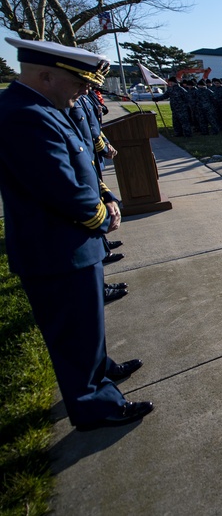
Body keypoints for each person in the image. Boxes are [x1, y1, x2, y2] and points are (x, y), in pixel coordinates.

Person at [0, 37, 154, 430]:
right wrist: (102, 216)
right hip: (56, 247)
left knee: (86, 325)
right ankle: (94, 406)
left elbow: (80, 161)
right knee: (73, 332)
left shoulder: (43, 107)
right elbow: (59, 187)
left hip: (69, 243)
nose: (86, 90)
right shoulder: (24, 115)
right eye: (80, 83)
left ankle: (99, 369)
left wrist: (104, 194)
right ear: (47, 76)